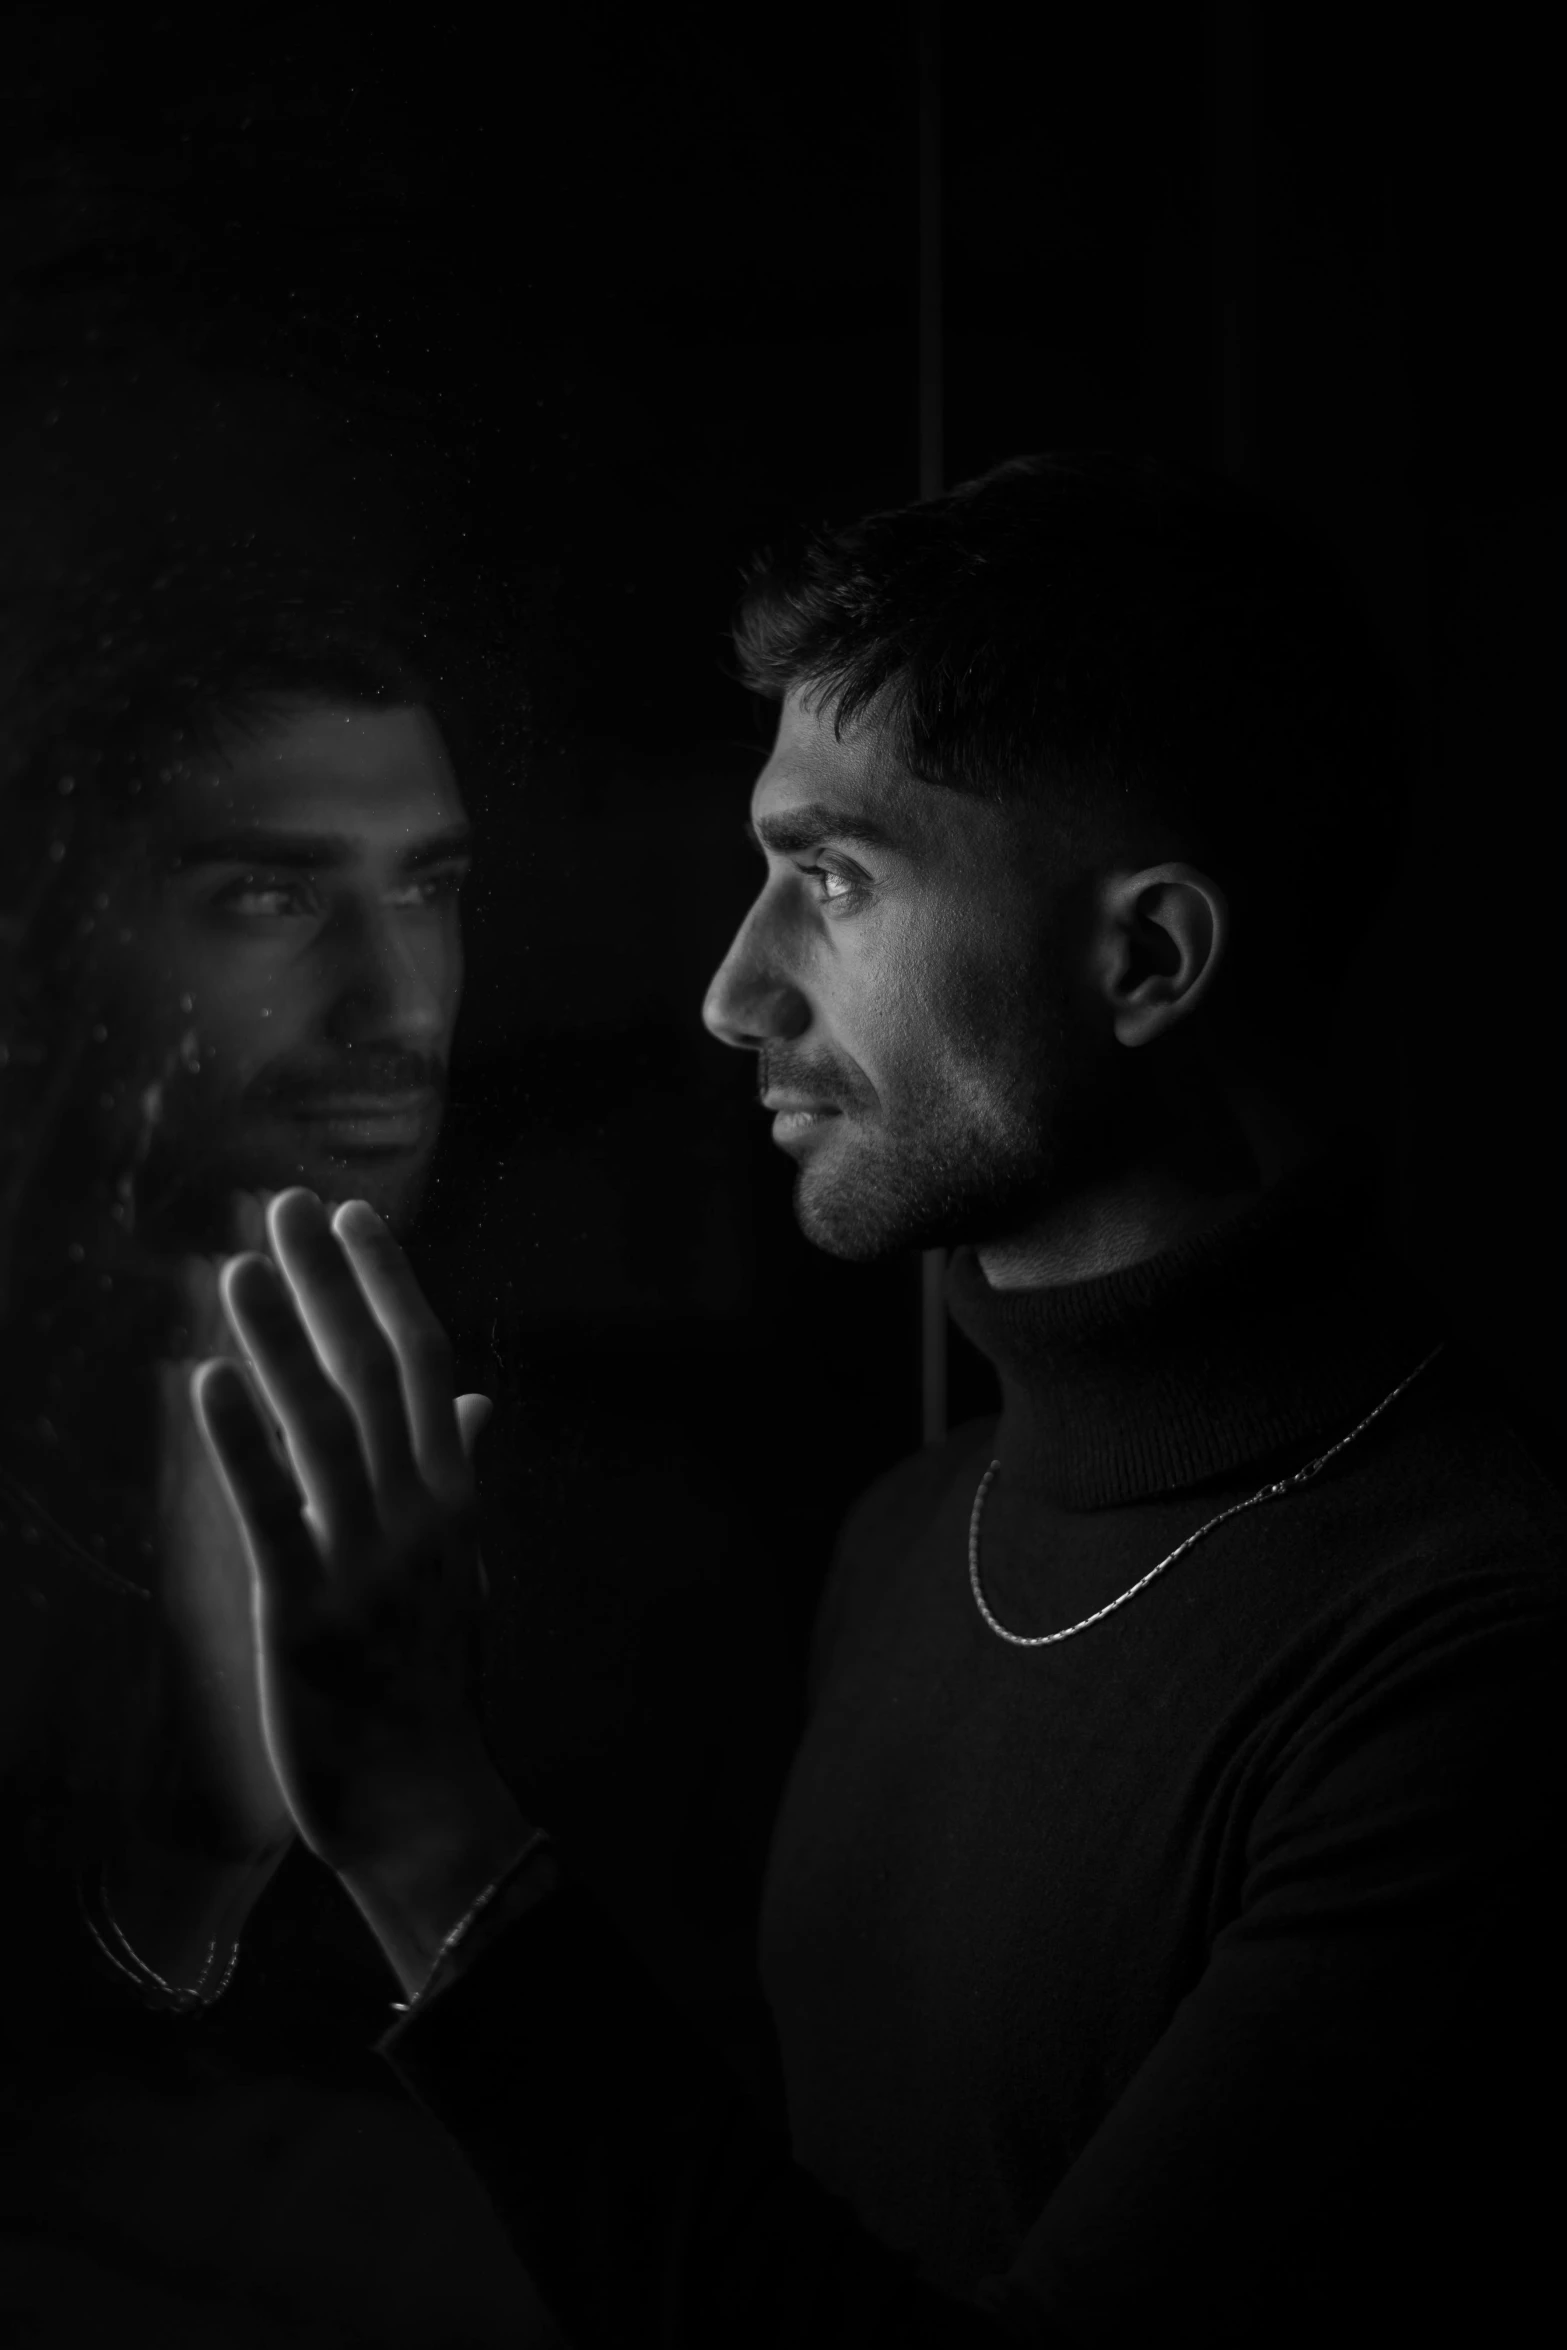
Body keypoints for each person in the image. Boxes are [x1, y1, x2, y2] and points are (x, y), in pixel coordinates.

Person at [193, 454, 1564, 2346]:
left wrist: (424, 1825)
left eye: (832, 877)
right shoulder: (911, 1535)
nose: (733, 990)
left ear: (1145, 958)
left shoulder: (1475, 1658)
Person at [0, 362, 549, 2343]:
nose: (390, 1001)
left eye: (432, 890)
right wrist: (202, 1853)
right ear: (75, 930)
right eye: (268, 896)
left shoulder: (597, 1448)